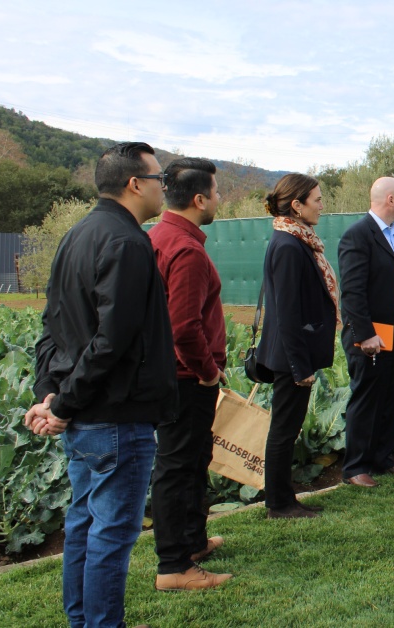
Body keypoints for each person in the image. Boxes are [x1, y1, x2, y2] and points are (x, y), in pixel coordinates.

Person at [25, 141, 178, 627]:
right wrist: (62, 403)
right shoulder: (129, 243)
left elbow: (54, 328)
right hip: (114, 416)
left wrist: (48, 394)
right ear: (136, 184)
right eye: (159, 180)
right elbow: (112, 341)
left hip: (84, 413)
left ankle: (82, 621)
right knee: (109, 536)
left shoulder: (78, 235)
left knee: (84, 526)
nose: (163, 188)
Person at [148, 158, 232, 590]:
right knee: (178, 466)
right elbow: (184, 326)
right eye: (216, 193)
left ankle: (192, 540)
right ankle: (174, 566)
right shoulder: (186, 251)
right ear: (199, 199)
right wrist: (208, 372)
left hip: (172, 375)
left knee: (192, 460)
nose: (219, 200)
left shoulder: (159, 237)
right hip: (187, 378)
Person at [255, 173, 337, 519]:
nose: (321, 205)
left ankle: (284, 499)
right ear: (296, 205)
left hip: (291, 355)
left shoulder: (297, 240)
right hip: (290, 358)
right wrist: (300, 367)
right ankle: (279, 503)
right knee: (283, 431)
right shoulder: (289, 246)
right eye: (316, 199)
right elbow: (287, 314)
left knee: (286, 429)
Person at [338, 177, 394, 488]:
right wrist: (365, 334)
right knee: (367, 396)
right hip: (371, 335)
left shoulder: (393, 235)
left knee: (390, 395)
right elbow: (352, 292)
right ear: (390, 200)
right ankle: (355, 467)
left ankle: (382, 458)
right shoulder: (358, 236)